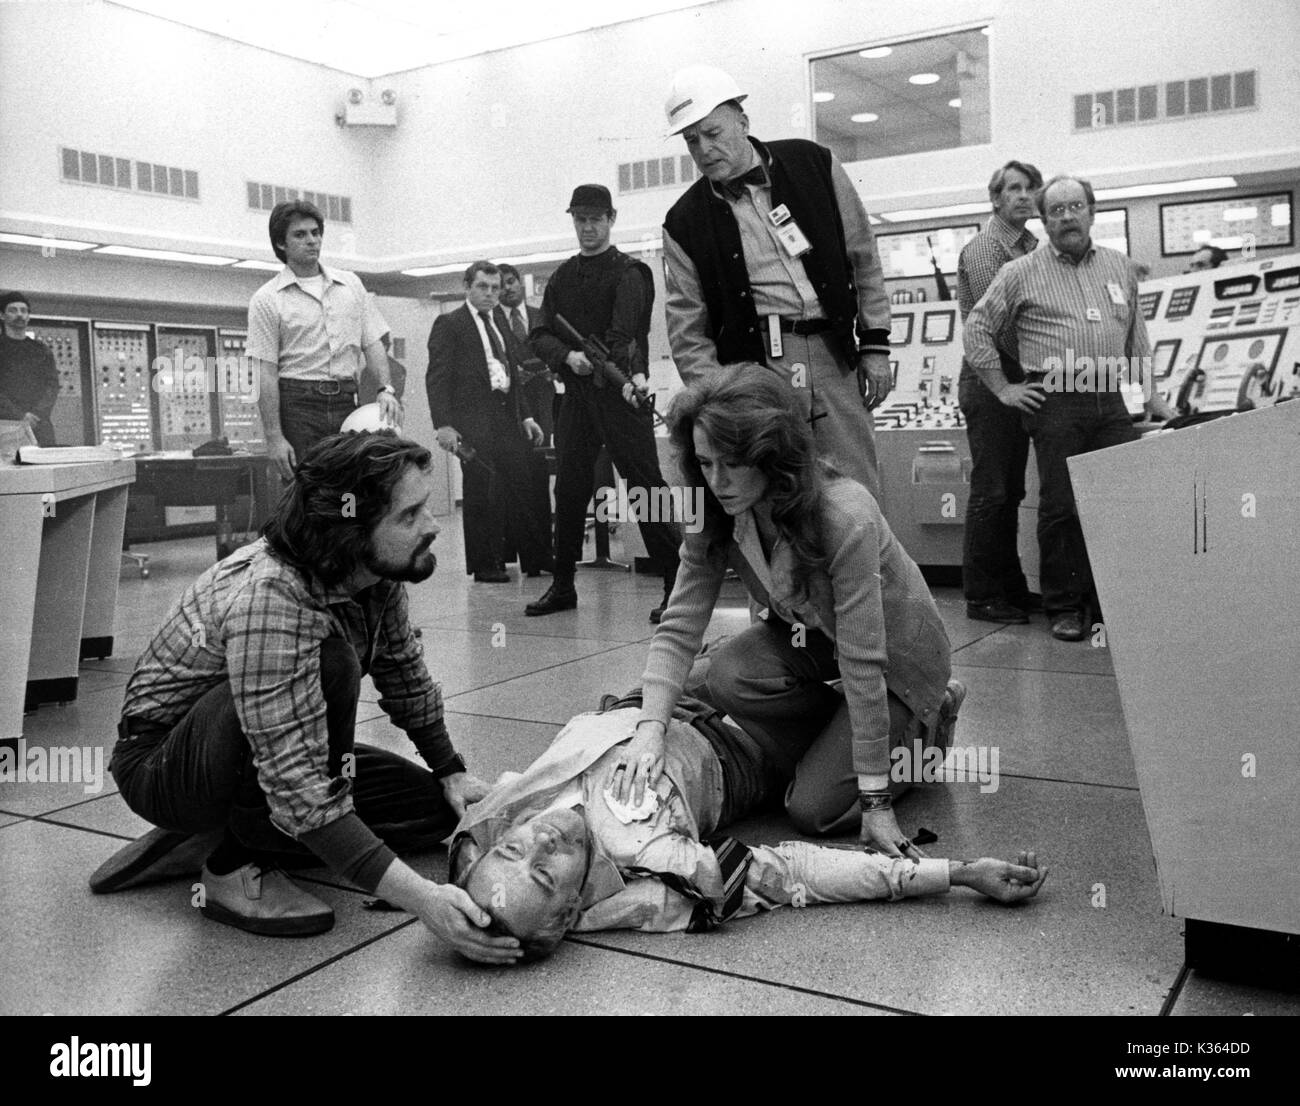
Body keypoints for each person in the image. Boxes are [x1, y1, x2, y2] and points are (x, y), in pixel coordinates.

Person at [89, 432, 523, 964]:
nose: (433, 527)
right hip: (165, 764)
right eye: (409, 516)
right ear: (350, 531)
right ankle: (229, 863)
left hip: (264, 745)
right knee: (332, 665)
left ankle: (215, 834)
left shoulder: (376, 573)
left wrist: (450, 769)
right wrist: (424, 901)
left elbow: (403, 673)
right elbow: (294, 779)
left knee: (436, 814)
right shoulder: (272, 594)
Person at [618, 363, 962, 859]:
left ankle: (927, 735)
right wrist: (649, 730)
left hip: (896, 665)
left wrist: (876, 801)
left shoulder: (845, 515)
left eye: (732, 463)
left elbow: (864, 661)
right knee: (729, 673)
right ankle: (845, 744)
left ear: (770, 454)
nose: (717, 481)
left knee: (813, 811)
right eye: (705, 463)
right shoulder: (714, 507)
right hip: (814, 639)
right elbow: (680, 623)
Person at [450, 695, 1046, 960]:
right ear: (567, 918)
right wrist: (958, 874)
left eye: (511, 851)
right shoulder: (661, 876)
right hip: (743, 743)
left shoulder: (488, 828)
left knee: (764, 650)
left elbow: (444, 838)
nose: (540, 843)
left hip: (676, 686)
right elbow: (792, 874)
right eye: (545, 877)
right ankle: (924, 726)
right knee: (835, 784)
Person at [661, 64, 892, 499]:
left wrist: (876, 344)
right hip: (756, 372)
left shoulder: (814, 164)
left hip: (832, 355)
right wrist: (722, 399)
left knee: (856, 486)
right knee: (776, 497)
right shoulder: (683, 222)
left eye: (713, 133)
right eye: (692, 140)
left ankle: (865, 568)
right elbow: (687, 331)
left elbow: (863, 256)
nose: (704, 149)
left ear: (743, 123)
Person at [963, 175, 1177, 642]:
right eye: (1055, 210)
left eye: (1074, 206)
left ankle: (1113, 601)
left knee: (1117, 504)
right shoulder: (1020, 271)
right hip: (1055, 397)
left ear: (1091, 211)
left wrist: (1153, 395)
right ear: (1044, 220)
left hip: (1111, 399)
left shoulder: (1119, 267)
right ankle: (1065, 606)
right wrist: (1003, 388)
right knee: (1062, 506)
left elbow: (1135, 336)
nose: (1066, 217)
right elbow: (976, 328)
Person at [525, 183, 681, 622]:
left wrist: (633, 375)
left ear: (611, 220)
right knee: (570, 491)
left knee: (646, 488)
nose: (587, 227)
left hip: (619, 396)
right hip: (577, 398)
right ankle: (562, 586)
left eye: (595, 219)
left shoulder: (630, 272)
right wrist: (567, 356)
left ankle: (676, 586)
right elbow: (539, 334)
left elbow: (628, 336)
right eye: (580, 219)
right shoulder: (561, 277)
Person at [246, 200, 401, 482]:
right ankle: (313, 528)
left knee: (349, 488)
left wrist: (385, 388)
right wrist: (274, 437)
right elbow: (264, 372)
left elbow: (373, 343)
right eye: (300, 234)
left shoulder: (351, 285)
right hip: (299, 406)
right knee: (311, 491)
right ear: (281, 244)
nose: (312, 240)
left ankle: (346, 526)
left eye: (316, 232)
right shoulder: (267, 299)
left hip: (345, 400)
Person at [956, 160, 1044, 625]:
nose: (1025, 195)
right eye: (1014, 188)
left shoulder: (1030, 246)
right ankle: (983, 595)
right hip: (991, 378)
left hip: (1015, 378)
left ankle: (1010, 588)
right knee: (991, 491)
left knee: (1010, 490)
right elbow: (1001, 324)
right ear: (996, 198)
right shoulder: (988, 248)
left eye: (1031, 188)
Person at [425, 260, 550, 582]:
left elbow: (512, 372)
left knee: (522, 485)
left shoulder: (499, 321)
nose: (491, 294)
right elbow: (437, 378)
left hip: (507, 414)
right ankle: (485, 564)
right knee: (483, 492)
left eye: (495, 288)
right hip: (472, 419)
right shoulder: (450, 323)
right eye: (483, 287)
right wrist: (443, 425)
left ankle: (536, 559)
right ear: (468, 286)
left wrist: (527, 416)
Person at [497, 262, 556, 565]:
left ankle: (543, 552)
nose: (507, 288)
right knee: (513, 481)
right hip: (511, 410)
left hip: (542, 408)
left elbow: (555, 351)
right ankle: (514, 552)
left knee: (538, 480)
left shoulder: (539, 317)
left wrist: (548, 370)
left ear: (520, 283)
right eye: (501, 284)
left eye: (510, 282)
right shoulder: (492, 320)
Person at [0, 291, 59, 447]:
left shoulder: (41, 350)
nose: (20, 315)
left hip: (39, 424)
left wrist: (37, 414)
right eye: (13, 310)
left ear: (28, 316)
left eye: (24, 310)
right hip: (6, 425)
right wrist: (19, 416)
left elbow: (52, 386)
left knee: (46, 467)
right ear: (2, 315)